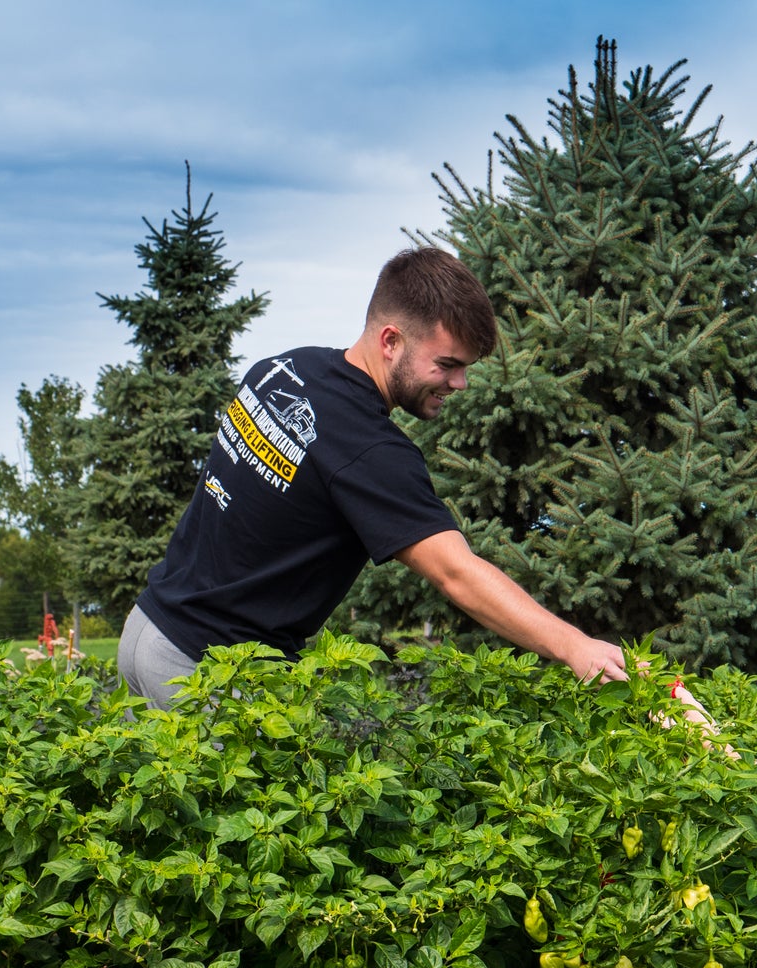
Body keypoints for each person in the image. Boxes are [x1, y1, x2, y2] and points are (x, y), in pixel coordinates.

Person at [119, 247, 627, 708]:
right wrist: (574, 646)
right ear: (391, 340)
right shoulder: (369, 449)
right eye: (447, 364)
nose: (460, 383)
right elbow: (456, 573)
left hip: (145, 630)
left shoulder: (282, 368)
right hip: (202, 672)